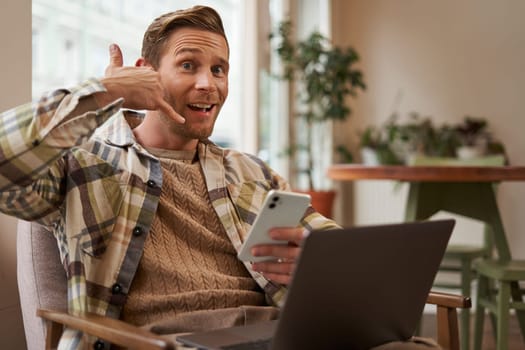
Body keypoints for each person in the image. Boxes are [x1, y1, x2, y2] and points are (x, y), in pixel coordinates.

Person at [0, 5, 439, 350]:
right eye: (188, 65)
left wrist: (320, 262)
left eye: (219, 69)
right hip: (163, 343)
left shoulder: (254, 173)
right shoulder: (81, 166)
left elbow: (339, 251)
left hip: (279, 335)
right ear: (145, 71)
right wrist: (104, 92)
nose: (209, 84)